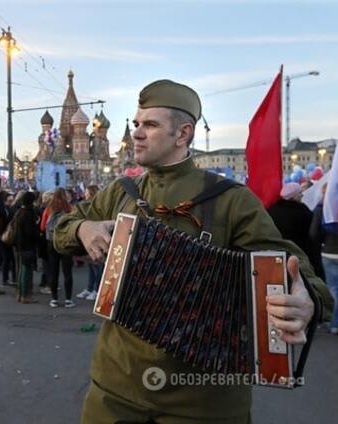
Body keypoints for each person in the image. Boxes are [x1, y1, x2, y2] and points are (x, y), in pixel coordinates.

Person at [53, 79, 333, 423]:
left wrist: (308, 299)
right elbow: (60, 227)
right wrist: (83, 227)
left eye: (151, 125)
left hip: (203, 401)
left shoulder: (230, 199)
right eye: (137, 123)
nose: (137, 133)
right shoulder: (119, 193)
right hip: (115, 389)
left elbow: (288, 263)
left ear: (183, 134)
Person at [268, 182, 324, 279]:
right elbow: (313, 232)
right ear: (294, 196)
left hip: (279, 255)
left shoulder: (272, 210)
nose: (302, 195)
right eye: (299, 193)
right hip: (301, 254)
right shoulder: (302, 211)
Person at [310, 183, 338, 335]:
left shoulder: (323, 209)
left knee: (333, 288)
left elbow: (314, 233)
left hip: (328, 251)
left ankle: (334, 323)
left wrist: (319, 243)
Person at [43, 187, 75, 308]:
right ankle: (68, 299)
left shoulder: (49, 208)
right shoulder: (69, 208)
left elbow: (42, 226)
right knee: (67, 272)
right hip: (66, 242)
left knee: (53, 271)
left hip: (52, 242)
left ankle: (54, 299)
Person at [14, 191, 40, 304]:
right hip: (28, 245)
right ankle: (25, 295)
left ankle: (20, 293)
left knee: (21, 269)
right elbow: (30, 232)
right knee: (27, 270)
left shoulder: (19, 212)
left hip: (19, 244)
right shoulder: (28, 214)